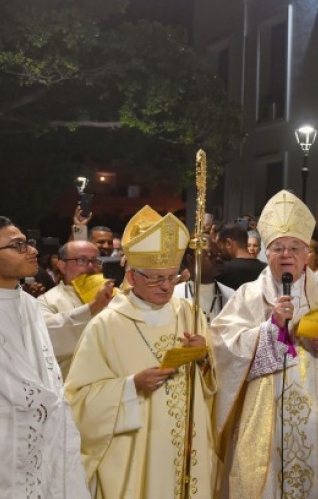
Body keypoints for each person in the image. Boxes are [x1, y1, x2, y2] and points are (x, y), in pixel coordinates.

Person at [210, 190, 318, 499]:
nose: (286, 254)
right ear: (265, 253)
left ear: (306, 252)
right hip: (264, 417)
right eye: (278, 247)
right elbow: (222, 345)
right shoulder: (248, 295)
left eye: (295, 247)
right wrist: (270, 330)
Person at [65, 206, 217, 499]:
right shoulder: (106, 325)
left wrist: (204, 357)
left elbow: (211, 383)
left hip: (188, 441)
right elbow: (77, 400)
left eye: (172, 278)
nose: (166, 287)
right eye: (156, 278)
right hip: (137, 448)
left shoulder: (189, 312)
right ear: (132, 277)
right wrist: (131, 387)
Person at [0, 216, 89, 498]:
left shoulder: (29, 304)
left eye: (28, 243)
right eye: (18, 245)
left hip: (44, 437)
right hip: (3, 444)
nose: (32, 251)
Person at [38, 240, 116, 376]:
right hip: (70, 384)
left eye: (95, 260)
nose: (91, 266)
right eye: (82, 260)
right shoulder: (47, 301)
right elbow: (47, 338)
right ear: (62, 266)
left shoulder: (114, 294)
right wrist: (93, 307)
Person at [172, 236, 235, 319]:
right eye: (210, 254)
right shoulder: (174, 295)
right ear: (191, 260)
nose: (218, 259)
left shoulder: (231, 296)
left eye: (219, 254)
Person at [216, 223, 267, 289]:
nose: (221, 251)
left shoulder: (222, 270)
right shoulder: (266, 270)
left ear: (228, 243)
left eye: (221, 246)